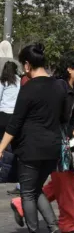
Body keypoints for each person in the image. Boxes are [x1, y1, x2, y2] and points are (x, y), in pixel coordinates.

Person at [10, 50, 74, 233]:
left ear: (27, 65)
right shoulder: (58, 86)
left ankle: (56, 225)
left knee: (36, 189)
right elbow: (59, 118)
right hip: (57, 145)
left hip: (55, 145)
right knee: (58, 187)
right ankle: (64, 226)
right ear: (70, 69)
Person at [0, 43, 66, 233]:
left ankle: (35, 230)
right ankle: (54, 227)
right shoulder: (59, 86)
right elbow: (63, 118)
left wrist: (1, 147)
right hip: (52, 148)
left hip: (30, 149)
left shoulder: (28, 88)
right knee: (36, 189)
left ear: (27, 65)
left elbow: (15, 122)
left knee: (27, 193)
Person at [0, 62, 21, 196]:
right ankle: (13, 174)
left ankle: (4, 174)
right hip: (15, 116)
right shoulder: (19, 81)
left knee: (3, 144)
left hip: (3, 116)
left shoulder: (3, 82)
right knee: (13, 146)